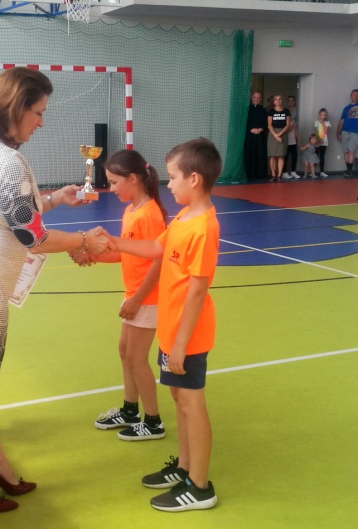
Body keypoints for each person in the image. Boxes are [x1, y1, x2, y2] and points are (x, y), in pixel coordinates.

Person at [0, 67, 111, 514]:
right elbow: (33, 236)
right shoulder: (6, 162)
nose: (41, 123)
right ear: (15, 109)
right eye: (38, 112)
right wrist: (84, 241)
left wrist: (54, 199)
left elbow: (8, 213)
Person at [107, 138, 221, 512]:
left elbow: (197, 292)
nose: (167, 184)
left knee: (191, 403)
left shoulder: (203, 227)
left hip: (189, 335)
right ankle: (185, 468)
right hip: (172, 330)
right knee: (178, 398)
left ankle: (200, 486)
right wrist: (112, 242)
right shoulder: (183, 218)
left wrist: (181, 345)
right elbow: (155, 249)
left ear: (194, 179)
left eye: (173, 177)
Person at [78, 149, 168, 441]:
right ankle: (130, 410)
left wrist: (137, 299)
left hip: (147, 298)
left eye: (115, 182)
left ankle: (153, 421)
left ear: (133, 179)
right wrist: (93, 256)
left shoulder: (150, 214)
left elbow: (158, 261)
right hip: (134, 294)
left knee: (137, 358)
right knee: (125, 352)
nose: (111, 188)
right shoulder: (131, 210)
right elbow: (124, 253)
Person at [243, 91, 267, 182]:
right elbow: (243, 122)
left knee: (260, 154)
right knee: (250, 154)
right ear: (251, 98)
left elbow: (266, 122)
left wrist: (261, 129)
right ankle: (249, 174)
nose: (256, 99)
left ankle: (260, 174)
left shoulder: (263, 110)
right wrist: (250, 129)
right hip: (249, 136)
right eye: (255, 97)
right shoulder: (246, 109)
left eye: (258, 98)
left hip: (260, 136)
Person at [266, 95, 291, 182]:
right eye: (276, 99)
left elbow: (287, 124)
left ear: (282, 101)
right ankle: (273, 175)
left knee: (281, 155)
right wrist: (276, 135)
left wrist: (280, 134)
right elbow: (269, 125)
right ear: (274, 101)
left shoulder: (286, 111)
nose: (278, 101)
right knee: (272, 155)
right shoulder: (271, 111)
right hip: (273, 133)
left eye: (280, 99)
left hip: (283, 133)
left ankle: (279, 175)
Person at [283, 95, 300, 179]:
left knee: (294, 155)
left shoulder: (297, 112)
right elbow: (287, 129)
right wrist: (293, 125)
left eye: (292, 100)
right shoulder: (285, 115)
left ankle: (293, 171)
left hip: (293, 140)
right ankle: (284, 172)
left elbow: (296, 130)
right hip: (286, 140)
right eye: (289, 100)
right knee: (285, 156)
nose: (290, 102)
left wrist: (298, 141)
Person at [314, 108, 331, 178]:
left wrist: (322, 123)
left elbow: (326, 131)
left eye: (324, 115)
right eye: (322, 115)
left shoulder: (327, 123)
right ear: (319, 115)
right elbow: (316, 132)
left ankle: (322, 171)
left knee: (322, 156)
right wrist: (317, 139)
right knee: (315, 156)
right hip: (317, 142)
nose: (323, 117)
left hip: (324, 142)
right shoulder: (316, 122)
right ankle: (313, 171)